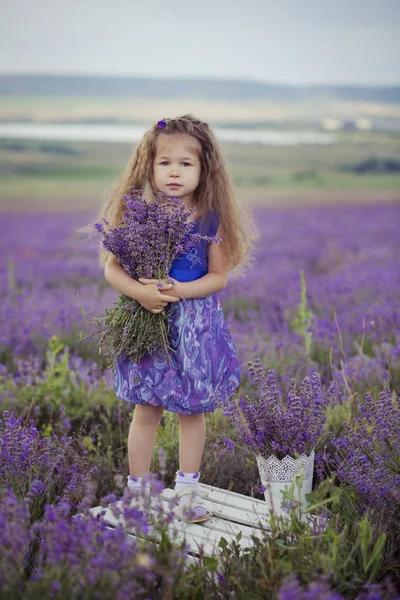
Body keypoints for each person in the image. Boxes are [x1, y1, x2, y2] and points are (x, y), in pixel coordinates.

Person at [95, 114, 256, 523]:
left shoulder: (209, 218)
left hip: (194, 328)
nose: (174, 172)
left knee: (191, 411)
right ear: (149, 166)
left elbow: (219, 276)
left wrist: (177, 291)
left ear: (204, 170)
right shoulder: (138, 214)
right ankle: (137, 496)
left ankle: (186, 494)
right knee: (146, 409)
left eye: (186, 164)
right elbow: (112, 268)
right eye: (165, 162)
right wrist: (142, 292)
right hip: (146, 321)